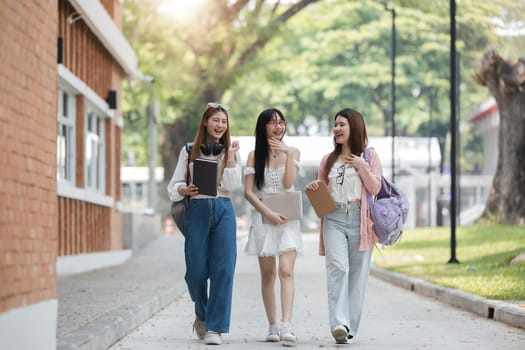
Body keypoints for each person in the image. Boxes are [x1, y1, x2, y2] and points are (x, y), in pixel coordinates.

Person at [167, 102, 242, 346]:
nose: (220, 125)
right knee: (196, 273)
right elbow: (173, 187)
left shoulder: (231, 151)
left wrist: (229, 157)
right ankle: (202, 313)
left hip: (224, 210)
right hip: (197, 210)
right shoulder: (189, 150)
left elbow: (232, 185)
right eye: (216, 120)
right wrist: (184, 188)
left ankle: (215, 328)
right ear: (205, 122)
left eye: (224, 121)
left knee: (223, 270)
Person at [305, 108, 382, 344]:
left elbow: (375, 188)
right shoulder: (327, 160)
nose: (336, 129)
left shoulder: (369, 156)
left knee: (357, 277)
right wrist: (316, 190)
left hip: (361, 219)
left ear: (354, 127)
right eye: (335, 124)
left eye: (342, 124)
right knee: (338, 268)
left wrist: (361, 165)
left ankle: (349, 328)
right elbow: (324, 192)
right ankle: (338, 323)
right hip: (334, 217)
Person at [244, 108, 302, 346]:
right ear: (263, 127)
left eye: (281, 122)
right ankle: (273, 325)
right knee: (267, 274)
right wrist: (268, 213)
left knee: (286, 271)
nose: (278, 126)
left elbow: (288, 183)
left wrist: (287, 153)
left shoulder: (293, 151)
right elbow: (248, 192)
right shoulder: (253, 155)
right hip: (263, 216)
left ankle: (287, 324)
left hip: (288, 217)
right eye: (273, 123)